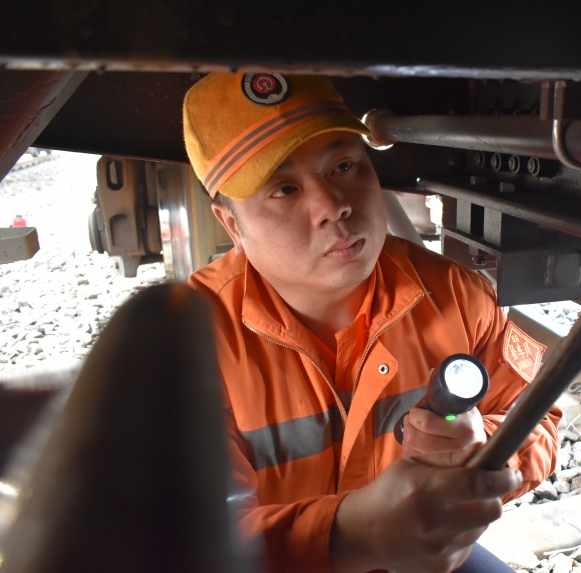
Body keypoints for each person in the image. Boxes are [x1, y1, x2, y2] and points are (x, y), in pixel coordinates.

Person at [184, 72, 560, 573]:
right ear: (232, 224)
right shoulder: (184, 342)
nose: (333, 206)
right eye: (284, 189)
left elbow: (537, 419)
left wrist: (486, 454)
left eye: (343, 165)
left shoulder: (455, 294)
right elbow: (189, 540)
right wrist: (348, 536)